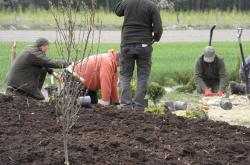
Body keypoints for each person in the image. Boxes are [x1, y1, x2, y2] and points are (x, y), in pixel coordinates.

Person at [114, 0, 163, 111]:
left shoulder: (127, 3)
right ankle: (139, 107)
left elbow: (117, 11)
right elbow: (158, 29)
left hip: (127, 44)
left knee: (125, 76)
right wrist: (156, 38)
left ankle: (126, 106)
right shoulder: (151, 6)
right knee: (142, 76)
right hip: (144, 45)